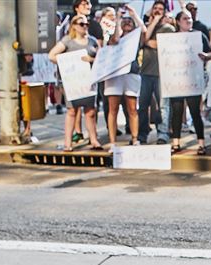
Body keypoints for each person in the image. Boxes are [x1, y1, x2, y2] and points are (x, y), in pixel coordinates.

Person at [47, 13, 102, 152]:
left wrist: (92, 60)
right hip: (73, 82)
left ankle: (94, 140)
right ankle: (67, 142)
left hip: (89, 81)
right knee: (72, 111)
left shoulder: (92, 41)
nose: (84, 26)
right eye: (81, 24)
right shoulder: (68, 41)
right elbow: (52, 55)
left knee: (90, 111)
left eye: (86, 24)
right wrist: (69, 61)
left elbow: (101, 58)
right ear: (74, 26)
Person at [168, 10, 211, 155]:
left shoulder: (199, 36)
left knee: (195, 113)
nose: (189, 21)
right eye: (185, 18)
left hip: (193, 79)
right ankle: (176, 143)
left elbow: (210, 53)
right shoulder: (171, 38)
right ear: (178, 21)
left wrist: (206, 56)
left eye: (190, 19)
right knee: (177, 112)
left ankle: (201, 143)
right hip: (176, 80)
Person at [104, 8, 143, 146]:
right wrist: (118, 19)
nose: (127, 23)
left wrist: (134, 14)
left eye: (129, 22)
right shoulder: (114, 37)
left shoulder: (136, 38)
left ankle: (134, 138)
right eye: (124, 22)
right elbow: (114, 40)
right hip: (115, 75)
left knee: (132, 108)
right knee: (113, 109)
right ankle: (113, 141)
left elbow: (143, 30)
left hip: (131, 73)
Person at [139, 1, 175, 144]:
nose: (158, 11)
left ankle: (163, 133)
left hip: (162, 73)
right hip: (146, 72)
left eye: (161, 9)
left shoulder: (168, 28)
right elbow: (143, 41)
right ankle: (142, 134)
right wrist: (152, 23)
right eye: (156, 8)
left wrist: (148, 41)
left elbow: (161, 45)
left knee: (163, 106)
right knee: (142, 105)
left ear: (165, 12)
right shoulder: (146, 27)